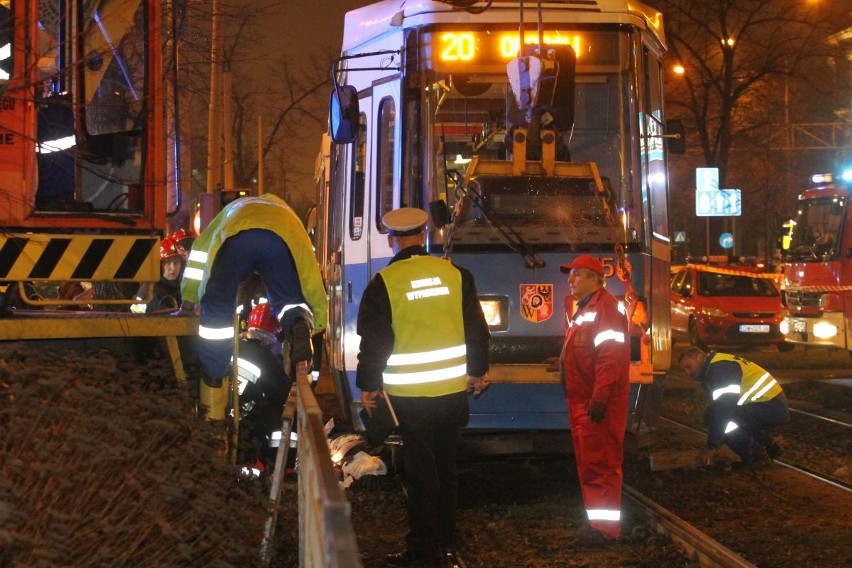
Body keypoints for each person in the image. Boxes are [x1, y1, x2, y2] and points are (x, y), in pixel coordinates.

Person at [355, 207, 490, 567]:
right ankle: (448, 543)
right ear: (424, 236)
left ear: (391, 240)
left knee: (420, 474)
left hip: (410, 398)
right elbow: (477, 329)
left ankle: (423, 550)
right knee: (446, 468)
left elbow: (375, 340)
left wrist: (368, 385)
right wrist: (477, 371)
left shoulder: (384, 283)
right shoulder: (456, 275)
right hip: (450, 394)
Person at [179, 193, 328, 388]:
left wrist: (189, 299)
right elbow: (309, 273)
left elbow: (200, 251)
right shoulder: (289, 216)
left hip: (237, 237)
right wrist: (317, 318)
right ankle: (297, 321)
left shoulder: (231, 210)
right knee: (290, 300)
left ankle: (213, 374)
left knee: (218, 303)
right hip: (280, 239)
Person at [559, 255, 630, 547]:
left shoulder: (606, 308)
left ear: (593, 278)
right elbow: (588, 350)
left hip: (596, 403)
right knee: (591, 466)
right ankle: (598, 525)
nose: (570, 280)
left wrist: (599, 396)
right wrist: (564, 361)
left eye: (576, 275)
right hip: (585, 400)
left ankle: (605, 532)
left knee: (600, 466)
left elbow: (609, 359)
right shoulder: (590, 307)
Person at [676, 346, 789, 468]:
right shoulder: (717, 365)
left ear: (699, 358)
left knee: (722, 419)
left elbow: (724, 410)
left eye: (688, 366)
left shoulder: (719, 370)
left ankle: (755, 456)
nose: (688, 373)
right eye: (684, 370)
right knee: (721, 416)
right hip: (770, 405)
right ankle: (768, 444)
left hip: (769, 407)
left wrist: (712, 446)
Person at [132, 234, 186, 314]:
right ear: (159, 266)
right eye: (167, 263)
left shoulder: (185, 288)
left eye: (176, 263)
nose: (173, 268)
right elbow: (136, 317)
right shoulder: (148, 289)